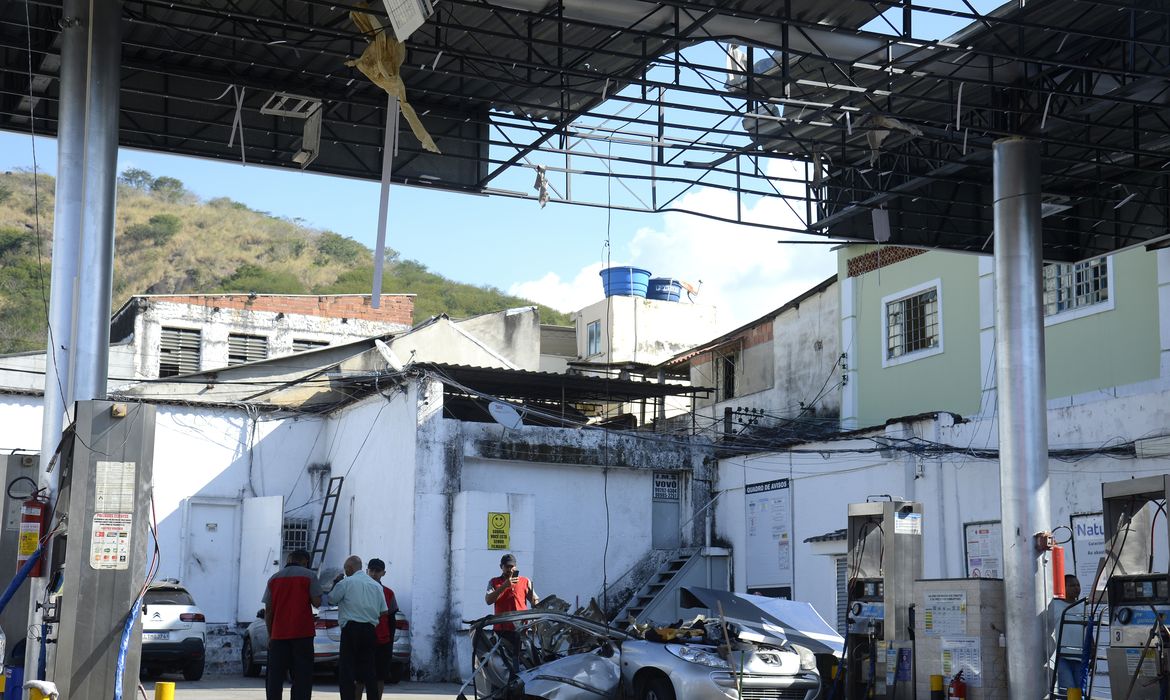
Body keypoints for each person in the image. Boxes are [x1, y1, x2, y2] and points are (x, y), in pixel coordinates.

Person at [262, 549, 322, 700]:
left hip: (278, 635)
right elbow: (317, 602)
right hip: (303, 635)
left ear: (289, 560)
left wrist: (270, 635)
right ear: (305, 562)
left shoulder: (273, 579)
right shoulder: (309, 576)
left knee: (274, 677)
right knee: (302, 676)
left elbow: (268, 611)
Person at [330, 555, 389, 700]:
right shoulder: (376, 585)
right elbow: (384, 611)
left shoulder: (346, 582)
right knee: (369, 668)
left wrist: (336, 583)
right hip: (369, 630)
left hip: (350, 629)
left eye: (345, 569)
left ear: (349, 568)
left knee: (347, 669)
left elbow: (332, 599)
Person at [485, 553, 539, 676]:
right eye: (507, 567)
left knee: (520, 660)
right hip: (502, 630)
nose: (510, 569)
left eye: (512, 566)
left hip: (521, 630)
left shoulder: (525, 581)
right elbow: (488, 600)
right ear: (501, 567)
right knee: (502, 662)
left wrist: (535, 612)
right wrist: (504, 586)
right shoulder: (494, 582)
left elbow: (534, 600)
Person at [368, 558, 401, 692]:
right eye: (372, 570)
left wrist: (389, 641)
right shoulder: (360, 589)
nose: (374, 573)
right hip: (364, 638)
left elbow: (391, 619)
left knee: (380, 677)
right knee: (360, 678)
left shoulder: (388, 593)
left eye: (378, 571)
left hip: (382, 640)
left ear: (383, 573)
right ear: (367, 571)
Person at [1049, 574, 1086, 695]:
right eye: (1072, 585)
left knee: (1079, 692)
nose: (1076, 588)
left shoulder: (1083, 605)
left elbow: (1087, 630)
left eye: (1078, 585)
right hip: (1063, 656)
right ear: (1063, 588)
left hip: (1080, 656)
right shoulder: (1054, 605)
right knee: (1068, 691)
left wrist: (1092, 649)